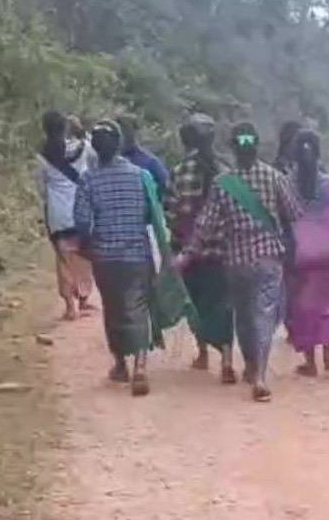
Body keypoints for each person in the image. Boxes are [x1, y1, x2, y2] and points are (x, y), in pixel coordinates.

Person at [183, 123, 300, 403]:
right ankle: (259, 375)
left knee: (244, 317)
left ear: (233, 149)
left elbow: (205, 224)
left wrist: (188, 253)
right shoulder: (274, 177)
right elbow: (294, 213)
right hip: (268, 259)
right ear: (256, 146)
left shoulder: (222, 183)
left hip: (236, 261)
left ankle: (250, 365)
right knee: (263, 316)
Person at [74, 120, 184, 396]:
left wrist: (87, 246)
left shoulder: (88, 179)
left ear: (95, 148)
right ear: (119, 144)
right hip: (137, 254)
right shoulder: (140, 175)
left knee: (113, 310)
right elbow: (151, 213)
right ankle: (141, 367)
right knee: (137, 308)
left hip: (105, 257)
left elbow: (82, 222)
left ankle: (120, 364)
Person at [171, 115, 237, 383]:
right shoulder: (226, 169)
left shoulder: (180, 171)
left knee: (195, 303)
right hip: (223, 250)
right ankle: (227, 359)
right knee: (223, 305)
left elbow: (172, 211)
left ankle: (202, 353)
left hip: (189, 251)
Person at [283, 129, 329, 376]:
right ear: (319, 153)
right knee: (325, 303)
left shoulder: (285, 185)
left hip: (297, 255)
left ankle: (310, 362)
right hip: (327, 253)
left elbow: (281, 220)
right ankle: (328, 346)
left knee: (301, 308)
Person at [37, 110, 95, 320]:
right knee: (84, 256)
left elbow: (41, 188)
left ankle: (70, 307)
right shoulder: (83, 148)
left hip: (58, 213)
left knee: (63, 259)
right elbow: (94, 165)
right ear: (66, 127)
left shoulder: (42, 156)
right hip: (82, 211)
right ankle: (84, 298)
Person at [120, 114, 170, 199]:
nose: (125, 134)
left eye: (127, 130)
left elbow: (165, 185)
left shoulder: (149, 161)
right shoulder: (105, 160)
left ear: (136, 132)